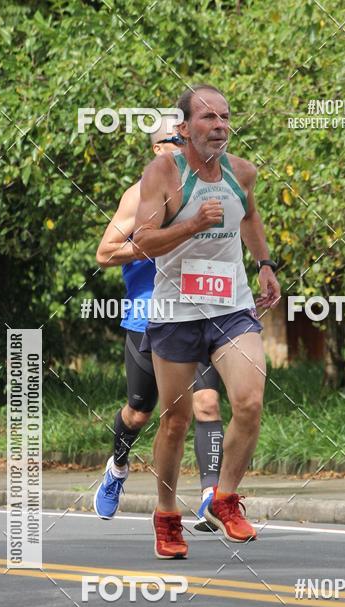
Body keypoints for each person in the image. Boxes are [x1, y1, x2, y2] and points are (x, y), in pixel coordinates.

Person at [131, 84, 280, 559]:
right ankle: (166, 514)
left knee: (250, 401)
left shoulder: (242, 173)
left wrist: (264, 264)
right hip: (176, 312)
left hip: (231, 308)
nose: (219, 126)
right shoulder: (164, 173)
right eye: (207, 118)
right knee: (174, 420)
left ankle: (225, 498)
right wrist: (192, 225)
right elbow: (143, 241)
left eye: (225, 117)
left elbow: (249, 217)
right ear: (184, 128)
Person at [93, 119, 224, 530]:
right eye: (174, 141)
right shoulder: (139, 196)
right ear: (156, 150)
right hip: (147, 318)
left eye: (187, 141)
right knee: (138, 412)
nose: (183, 147)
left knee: (207, 403)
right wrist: (154, 244)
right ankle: (116, 468)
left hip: (193, 313)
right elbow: (104, 253)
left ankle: (211, 498)